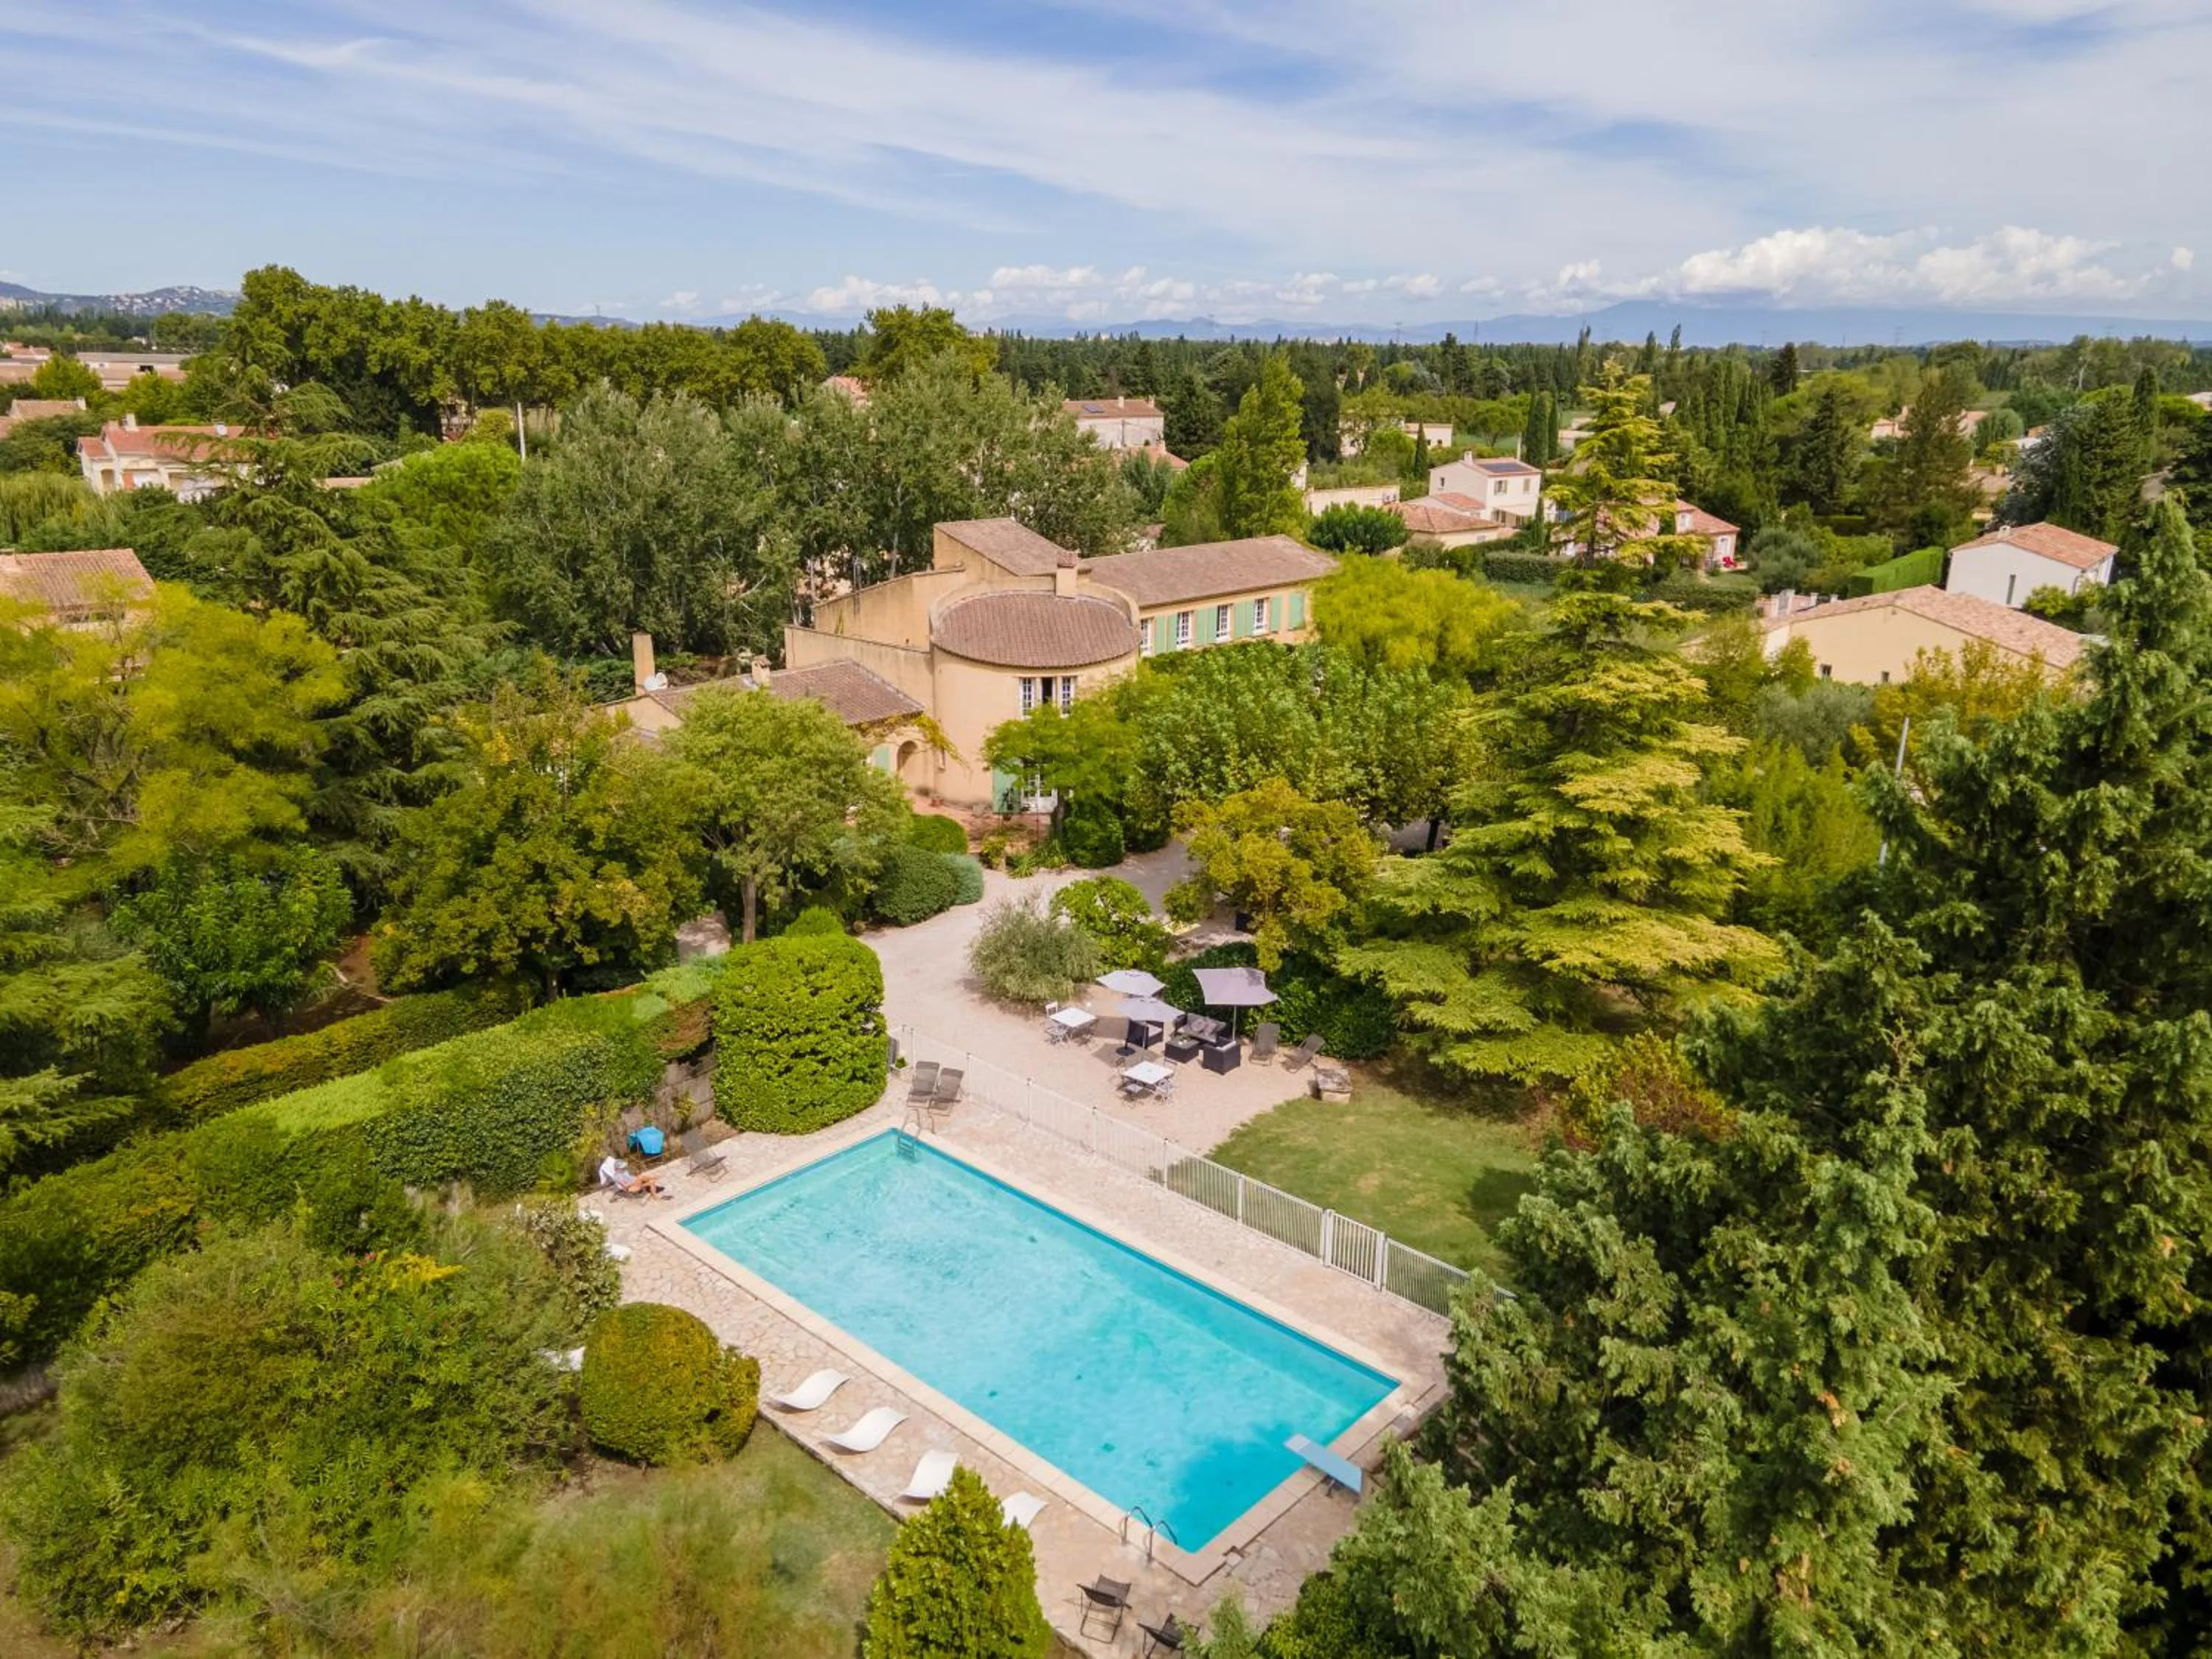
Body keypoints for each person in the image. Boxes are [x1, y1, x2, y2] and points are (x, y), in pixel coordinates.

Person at [598, 1152, 669, 1198]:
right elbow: (625, 1186)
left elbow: (629, 1177)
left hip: (635, 1183)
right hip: (631, 1188)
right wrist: (634, 1180)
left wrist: (634, 1179)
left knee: (647, 1180)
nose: (624, 1168)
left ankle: (654, 1191)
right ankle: (654, 1183)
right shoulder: (616, 1176)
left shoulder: (623, 1172)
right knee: (643, 1178)